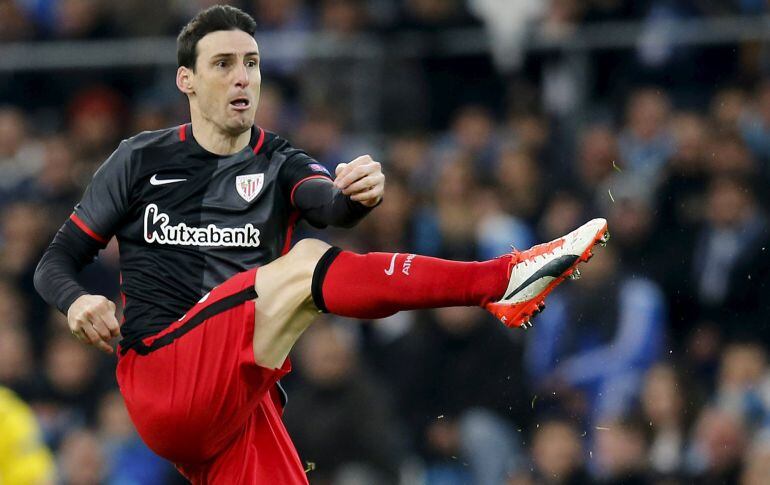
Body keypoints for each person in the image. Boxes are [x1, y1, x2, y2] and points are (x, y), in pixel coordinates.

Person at [34, 5, 608, 483]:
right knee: (302, 261)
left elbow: (329, 204)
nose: (243, 77)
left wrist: (359, 194)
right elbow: (54, 263)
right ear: (186, 79)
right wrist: (78, 300)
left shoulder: (279, 159)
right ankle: (499, 282)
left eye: (253, 64)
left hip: (238, 408)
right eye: (224, 64)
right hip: (163, 375)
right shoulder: (140, 159)